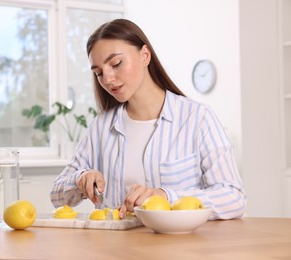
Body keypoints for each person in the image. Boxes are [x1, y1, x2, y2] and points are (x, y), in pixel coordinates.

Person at [50, 18, 246, 220]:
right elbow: (56, 196)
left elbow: (233, 197)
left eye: (116, 64)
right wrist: (80, 179)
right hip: (113, 249)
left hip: (180, 249)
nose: (107, 79)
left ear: (145, 56)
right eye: (99, 73)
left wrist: (167, 197)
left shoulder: (197, 119)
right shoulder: (100, 128)